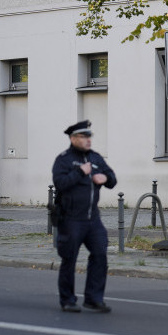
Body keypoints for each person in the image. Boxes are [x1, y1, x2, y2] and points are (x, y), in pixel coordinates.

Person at [51, 120, 117, 313]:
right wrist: (80, 172)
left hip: (92, 219)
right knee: (69, 259)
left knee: (100, 254)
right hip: (71, 218)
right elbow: (60, 183)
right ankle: (68, 300)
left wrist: (105, 178)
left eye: (89, 136)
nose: (88, 140)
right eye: (83, 136)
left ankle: (93, 298)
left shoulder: (95, 158)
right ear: (73, 139)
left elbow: (112, 178)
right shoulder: (63, 159)